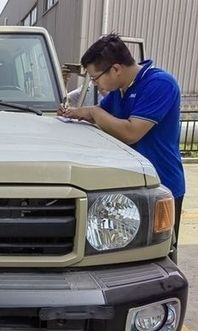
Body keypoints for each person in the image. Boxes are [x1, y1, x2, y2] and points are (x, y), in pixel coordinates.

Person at [59, 33, 185, 249]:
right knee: (124, 250)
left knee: (158, 251)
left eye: (95, 78)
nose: (95, 84)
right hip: (128, 184)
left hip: (160, 184)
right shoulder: (120, 91)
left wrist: (94, 113)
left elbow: (131, 132)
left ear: (116, 69)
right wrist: (73, 113)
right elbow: (95, 114)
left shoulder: (159, 84)